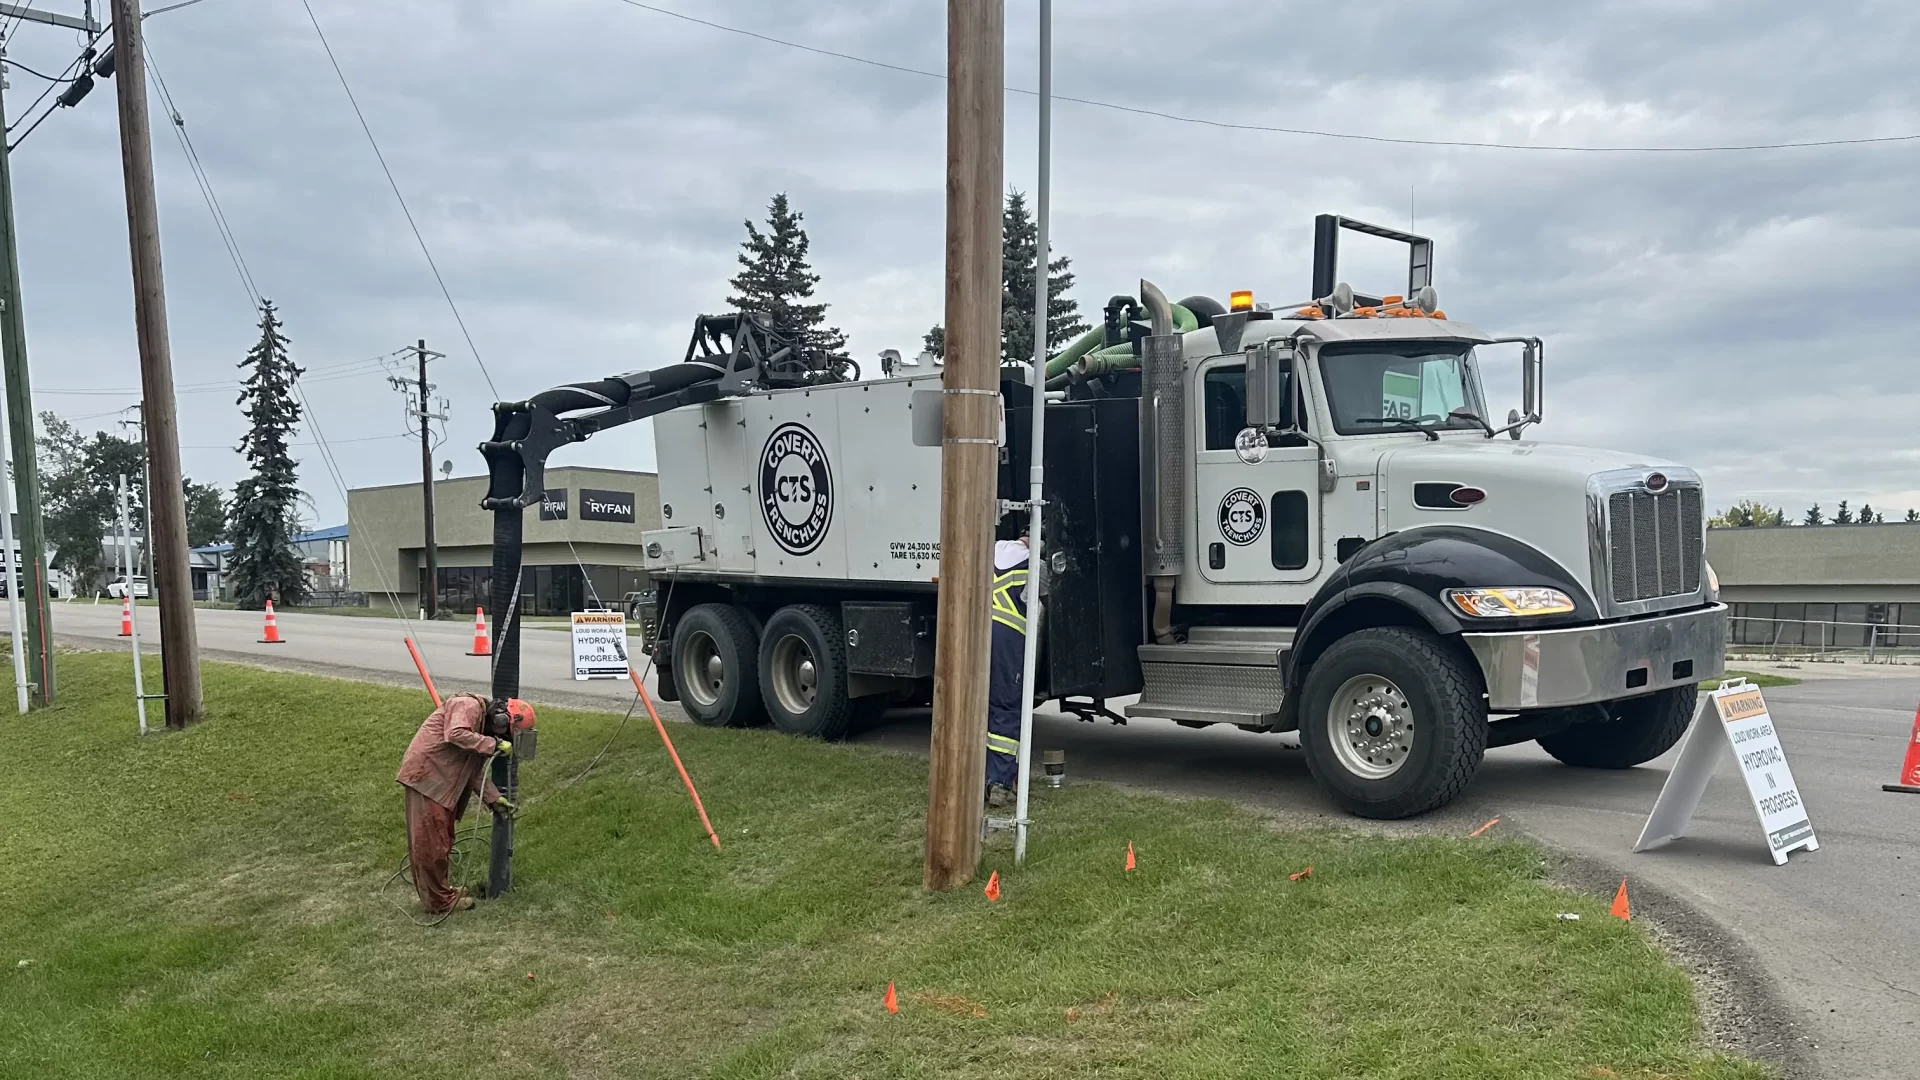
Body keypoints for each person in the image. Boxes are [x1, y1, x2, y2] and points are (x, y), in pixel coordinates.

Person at [395, 693, 536, 914]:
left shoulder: (479, 730)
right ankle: (439, 902)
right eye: (505, 733)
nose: (503, 738)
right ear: (500, 720)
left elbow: (473, 772)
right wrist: (494, 744)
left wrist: (493, 798)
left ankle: (443, 891)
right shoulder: (467, 705)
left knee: (443, 841)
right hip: (428, 778)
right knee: (431, 845)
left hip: (439, 782)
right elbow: (455, 733)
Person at [985, 534, 1030, 809]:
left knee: (979, 708)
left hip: (976, 634)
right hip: (1007, 641)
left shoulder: (994, 548)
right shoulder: (1033, 562)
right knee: (1005, 708)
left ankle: (977, 778)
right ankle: (1000, 785)